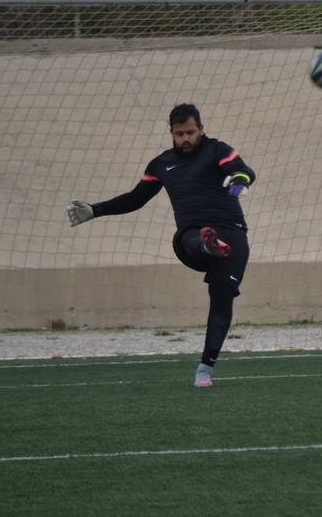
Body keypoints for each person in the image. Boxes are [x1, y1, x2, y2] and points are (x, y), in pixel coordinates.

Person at [67, 103, 256, 388]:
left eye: (191, 132)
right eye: (180, 134)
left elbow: (242, 169)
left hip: (232, 233)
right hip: (192, 233)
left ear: (201, 129)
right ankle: (208, 246)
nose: (186, 139)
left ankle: (205, 369)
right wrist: (95, 210)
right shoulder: (161, 164)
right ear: (171, 133)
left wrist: (240, 179)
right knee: (190, 239)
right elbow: (136, 198)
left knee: (222, 295)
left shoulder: (217, 150)